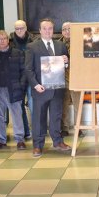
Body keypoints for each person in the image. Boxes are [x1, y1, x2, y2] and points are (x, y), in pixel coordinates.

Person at [25, 18, 71, 157]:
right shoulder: (32, 46)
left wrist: (67, 62)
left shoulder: (60, 45)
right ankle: (38, 145)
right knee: (39, 118)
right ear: (40, 31)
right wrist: (35, 85)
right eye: (44, 28)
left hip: (57, 89)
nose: (47, 31)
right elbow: (28, 69)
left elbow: (66, 65)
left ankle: (57, 141)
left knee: (57, 117)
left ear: (53, 30)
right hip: (40, 89)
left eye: (50, 28)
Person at [0, 30, 26, 151]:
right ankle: (0, 140)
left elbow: (24, 71)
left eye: (4, 38)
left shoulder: (18, 53)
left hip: (14, 89)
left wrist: (21, 85)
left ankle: (20, 140)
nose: (2, 41)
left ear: (8, 40)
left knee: (17, 115)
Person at [9, 20, 37, 140]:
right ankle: (25, 131)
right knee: (19, 105)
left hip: (31, 75)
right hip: (16, 77)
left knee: (32, 104)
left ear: (26, 28)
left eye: (21, 28)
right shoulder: (9, 41)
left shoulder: (34, 39)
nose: (19, 30)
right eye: (17, 28)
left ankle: (37, 130)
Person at [58, 21, 85, 138]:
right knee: (63, 104)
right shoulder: (57, 44)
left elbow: (84, 60)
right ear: (62, 31)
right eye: (64, 29)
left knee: (77, 104)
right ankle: (64, 127)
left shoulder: (81, 43)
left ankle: (79, 127)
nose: (67, 31)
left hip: (76, 77)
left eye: (69, 29)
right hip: (61, 77)